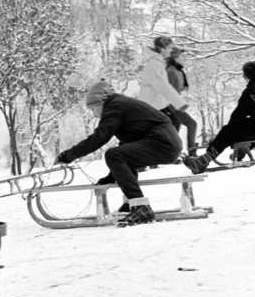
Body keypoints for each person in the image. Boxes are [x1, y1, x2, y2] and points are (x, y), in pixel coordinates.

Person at [56, 81, 182, 226]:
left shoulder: (114, 106)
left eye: (93, 109)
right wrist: (112, 176)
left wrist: (68, 156)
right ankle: (132, 204)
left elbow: (99, 138)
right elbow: (128, 150)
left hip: (162, 142)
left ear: (100, 102)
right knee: (122, 154)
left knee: (113, 154)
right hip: (166, 141)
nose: (94, 114)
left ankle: (141, 208)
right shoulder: (119, 105)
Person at [184, 62, 255, 173]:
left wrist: (225, 134)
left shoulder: (252, 90)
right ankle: (242, 151)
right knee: (249, 125)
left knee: (228, 131)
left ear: (245, 75)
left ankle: (203, 161)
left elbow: (239, 114)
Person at [137, 35, 186, 130]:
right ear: (162, 49)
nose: (172, 50)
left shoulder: (158, 62)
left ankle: (167, 143)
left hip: (158, 105)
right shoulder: (154, 65)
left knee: (174, 122)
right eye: (170, 48)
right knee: (172, 124)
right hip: (151, 106)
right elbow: (163, 86)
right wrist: (179, 103)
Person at [165, 46, 199, 156]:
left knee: (174, 130)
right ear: (175, 57)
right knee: (192, 124)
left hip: (175, 103)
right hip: (171, 104)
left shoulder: (178, 70)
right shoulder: (171, 71)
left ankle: (170, 153)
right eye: (181, 55)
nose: (184, 58)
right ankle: (192, 151)